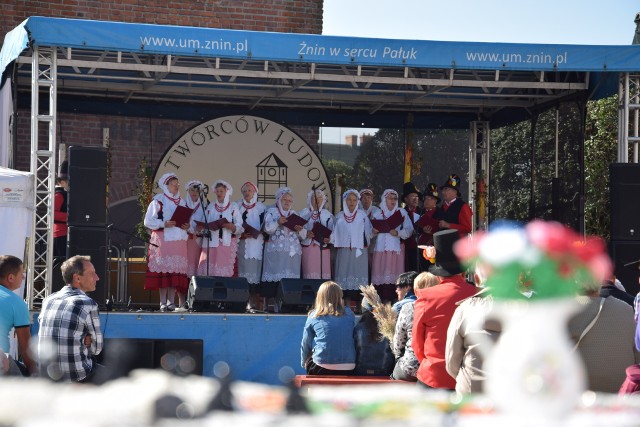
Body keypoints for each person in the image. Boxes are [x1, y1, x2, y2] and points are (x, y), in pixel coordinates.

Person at [412, 229, 476, 389]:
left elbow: (417, 343)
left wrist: (430, 363)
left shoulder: (426, 296)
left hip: (433, 375)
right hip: (468, 377)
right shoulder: (477, 295)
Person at [569, 274, 640, 393]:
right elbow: (637, 356)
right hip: (621, 395)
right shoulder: (626, 309)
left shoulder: (566, 312)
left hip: (583, 397)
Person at [38, 255, 103, 382]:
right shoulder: (87, 303)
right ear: (77, 277)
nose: (97, 277)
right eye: (92, 273)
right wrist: (85, 340)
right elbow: (96, 349)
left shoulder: (48, 300)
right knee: (117, 382)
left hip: (47, 374)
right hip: (76, 375)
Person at [445, 263, 497, 395]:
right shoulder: (527, 309)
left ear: (476, 279)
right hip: (508, 392)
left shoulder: (465, 309)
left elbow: (451, 359)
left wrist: (466, 377)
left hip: (470, 389)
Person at [144, 172, 190, 312]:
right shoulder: (158, 201)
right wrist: (164, 223)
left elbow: (187, 221)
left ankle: (171, 302)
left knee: (173, 272)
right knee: (164, 271)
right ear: (166, 185)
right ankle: (162, 302)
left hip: (178, 241)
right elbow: (147, 221)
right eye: (173, 184)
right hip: (163, 241)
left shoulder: (182, 202)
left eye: (177, 184)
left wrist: (187, 226)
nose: (176, 186)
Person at [392, 271, 440, 381]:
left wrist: (398, 357)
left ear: (416, 288)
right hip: (435, 366)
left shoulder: (408, 307)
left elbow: (398, 342)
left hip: (411, 367)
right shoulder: (442, 306)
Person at [300, 281, 356, 375]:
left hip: (322, 366)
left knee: (313, 353)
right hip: (349, 365)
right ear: (339, 295)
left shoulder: (314, 315)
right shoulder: (349, 313)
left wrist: (303, 362)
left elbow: (306, 343)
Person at [194, 180, 243, 278]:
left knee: (224, 271)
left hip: (226, 242)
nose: (219, 193)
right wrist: (201, 227)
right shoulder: (211, 206)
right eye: (217, 191)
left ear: (227, 191)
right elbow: (205, 222)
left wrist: (232, 227)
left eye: (221, 191)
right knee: (209, 271)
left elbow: (239, 225)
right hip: (211, 242)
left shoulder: (233, 206)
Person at [370, 189, 414, 302]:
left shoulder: (401, 213)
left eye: (395, 198)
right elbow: (367, 232)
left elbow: (409, 230)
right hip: (380, 250)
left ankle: (395, 302)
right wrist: (373, 231)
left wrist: (398, 233)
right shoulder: (377, 214)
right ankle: (381, 305)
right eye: (390, 198)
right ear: (384, 199)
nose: (393, 201)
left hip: (396, 251)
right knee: (380, 276)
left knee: (395, 277)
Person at [331, 189, 372, 301]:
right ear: (345, 201)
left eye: (354, 200)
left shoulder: (362, 216)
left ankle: (360, 305)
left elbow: (368, 233)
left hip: (359, 252)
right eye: (349, 200)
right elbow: (333, 234)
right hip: (344, 251)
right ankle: (345, 304)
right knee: (344, 275)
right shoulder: (339, 216)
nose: (352, 202)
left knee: (358, 276)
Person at [0, 255, 36, 376]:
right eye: (21, 274)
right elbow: (25, 345)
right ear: (11, 277)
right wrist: (34, 375)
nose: (23, 277)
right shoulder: (16, 302)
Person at [261, 187, 304, 284]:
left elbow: (303, 236)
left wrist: (299, 230)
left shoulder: (294, 213)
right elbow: (267, 229)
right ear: (279, 200)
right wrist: (277, 222)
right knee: (275, 277)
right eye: (284, 199)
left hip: (292, 254)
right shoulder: (272, 211)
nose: (287, 202)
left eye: (290, 200)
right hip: (276, 252)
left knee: (290, 281)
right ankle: (272, 298)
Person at [236, 181, 266, 312]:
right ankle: (243, 302)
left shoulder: (262, 208)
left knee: (255, 275)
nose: (247, 193)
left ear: (255, 192)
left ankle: (253, 304)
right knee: (243, 274)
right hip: (242, 244)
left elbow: (266, 225)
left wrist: (262, 231)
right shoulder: (237, 206)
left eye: (249, 191)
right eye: (245, 191)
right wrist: (241, 235)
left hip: (257, 244)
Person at [353, 293, 395, 376]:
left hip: (361, 371)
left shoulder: (358, 328)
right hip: (383, 372)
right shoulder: (387, 327)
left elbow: (354, 351)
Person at [299, 189, 334, 280]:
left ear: (323, 200)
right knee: (309, 272)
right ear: (310, 200)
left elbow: (333, 231)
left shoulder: (327, 215)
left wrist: (329, 239)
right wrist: (306, 233)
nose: (317, 200)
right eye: (314, 198)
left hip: (323, 248)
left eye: (320, 198)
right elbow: (297, 228)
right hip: (308, 247)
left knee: (323, 273)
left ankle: (324, 293)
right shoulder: (304, 213)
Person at [434, 174, 473, 239]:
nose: (443, 192)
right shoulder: (442, 207)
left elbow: (467, 228)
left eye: (446, 189)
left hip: (457, 245)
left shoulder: (463, 206)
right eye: (443, 190)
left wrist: (448, 225)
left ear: (455, 191)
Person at [184, 180, 205, 281]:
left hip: (197, 241)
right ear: (188, 191)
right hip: (184, 240)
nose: (194, 193)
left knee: (196, 268)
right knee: (185, 268)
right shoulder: (183, 204)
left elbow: (205, 224)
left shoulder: (204, 207)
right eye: (192, 190)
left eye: (197, 190)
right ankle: (182, 295)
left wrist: (201, 228)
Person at [417, 183, 440, 272]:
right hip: (420, 248)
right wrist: (422, 229)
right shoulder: (420, 212)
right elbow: (416, 228)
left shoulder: (440, 213)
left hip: (434, 248)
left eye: (430, 199)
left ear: (435, 201)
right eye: (426, 198)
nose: (427, 201)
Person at [401, 182, 422, 272]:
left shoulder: (422, 212)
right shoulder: (401, 212)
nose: (415, 199)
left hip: (420, 250)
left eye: (416, 196)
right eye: (412, 196)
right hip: (405, 250)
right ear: (406, 199)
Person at [359, 188, 380, 274]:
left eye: (368, 198)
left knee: (372, 264)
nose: (366, 200)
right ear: (360, 199)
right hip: (361, 241)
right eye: (364, 198)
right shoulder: (357, 211)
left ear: (372, 199)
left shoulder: (376, 211)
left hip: (374, 242)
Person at [53, 160, 69, 258]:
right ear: (62, 182)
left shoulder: (65, 194)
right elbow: (53, 214)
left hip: (65, 232)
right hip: (60, 233)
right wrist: (69, 217)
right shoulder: (59, 195)